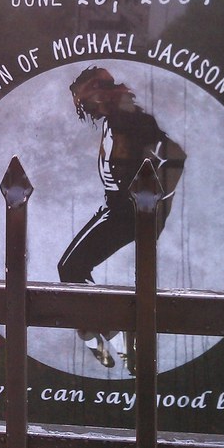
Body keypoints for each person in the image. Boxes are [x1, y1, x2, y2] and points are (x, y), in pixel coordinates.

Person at [57, 65, 185, 372]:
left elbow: (176, 154)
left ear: (100, 95)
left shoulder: (131, 119)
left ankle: (108, 337)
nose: (84, 109)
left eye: (85, 100)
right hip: (115, 207)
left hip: (128, 212)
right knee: (71, 268)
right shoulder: (113, 121)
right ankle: (107, 339)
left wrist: (152, 201)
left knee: (71, 267)